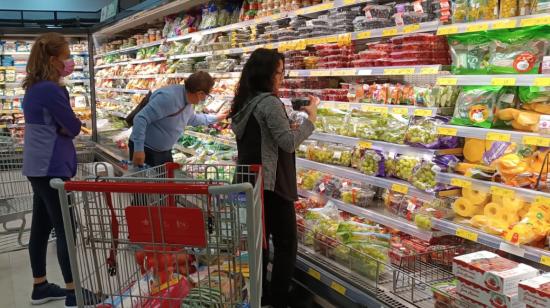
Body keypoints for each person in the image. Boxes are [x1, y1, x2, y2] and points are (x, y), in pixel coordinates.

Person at [230, 48, 318, 308]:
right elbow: (288, 144)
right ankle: (279, 298)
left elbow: (265, 136)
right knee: (286, 243)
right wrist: (310, 120)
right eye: (279, 73)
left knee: (260, 242)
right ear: (265, 75)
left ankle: (262, 293)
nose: (282, 78)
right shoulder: (269, 102)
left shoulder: (246, 100)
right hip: (271, 184)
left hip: (251, 181)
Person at [21, 32, 100, 307]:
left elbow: (59, 125)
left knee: (41, 227)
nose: (70, 62)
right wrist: (68, 126)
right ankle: (73, 292)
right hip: (52, 165)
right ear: (54, 60)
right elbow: (73, 126)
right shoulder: (53, 90)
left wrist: (63, 126)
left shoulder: (33, 87)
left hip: (37, 164)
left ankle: (40, 286)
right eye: (67, 57)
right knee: (67, 228)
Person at [129, 71, 228, 167]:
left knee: (165, 182)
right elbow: (140, 118)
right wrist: (139, 149)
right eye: (207, 95)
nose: (206, 98)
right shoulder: (169, 98)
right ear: (200, 93)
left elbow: (192, 119)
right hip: (146, 150)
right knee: (148, 183)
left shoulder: (188, 101)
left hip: (163, 152)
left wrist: (216, 118)